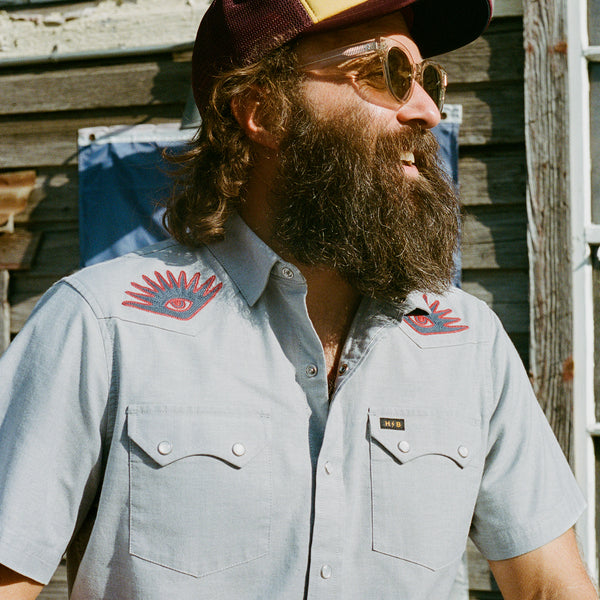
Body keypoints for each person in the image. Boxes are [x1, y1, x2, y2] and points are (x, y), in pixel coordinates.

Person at [0, 0, 597, 598]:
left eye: (427, 80)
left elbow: (550, 587)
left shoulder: (470, 342)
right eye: (386, 72)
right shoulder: (101, 325)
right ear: (263, 112)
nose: (427, 110)